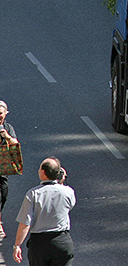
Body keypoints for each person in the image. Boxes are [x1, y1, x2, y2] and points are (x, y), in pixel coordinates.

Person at [13, 157, 76, 266]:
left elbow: (25, 224)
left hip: (39, 244)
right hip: (62, 242)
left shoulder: (32, 194)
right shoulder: (68, 192)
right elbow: (69, 206)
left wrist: (17, 245)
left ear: (42, 172)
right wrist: (61, 182)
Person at [0, 101, 18, 238]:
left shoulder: (8, 128)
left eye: (1, 113)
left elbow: (15, 144)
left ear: (6, 114)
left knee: (3, 196)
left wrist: (7, 136)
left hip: (3, 170)